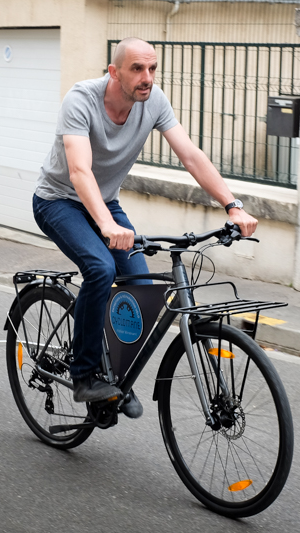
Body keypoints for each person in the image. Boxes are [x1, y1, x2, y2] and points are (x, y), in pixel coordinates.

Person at [32, 37, 258, 417]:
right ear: (114, 71)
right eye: (137, 69)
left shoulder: (154, 101)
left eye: (152, 68)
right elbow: (79, 171)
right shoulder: (81, 100)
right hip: (58, 201)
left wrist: (232, 205)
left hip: (105, 203)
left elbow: (190, 155)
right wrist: (105, 224)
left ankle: (114, 378)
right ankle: (86, 374)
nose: (147, 77)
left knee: (141, 287)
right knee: (100, 268)